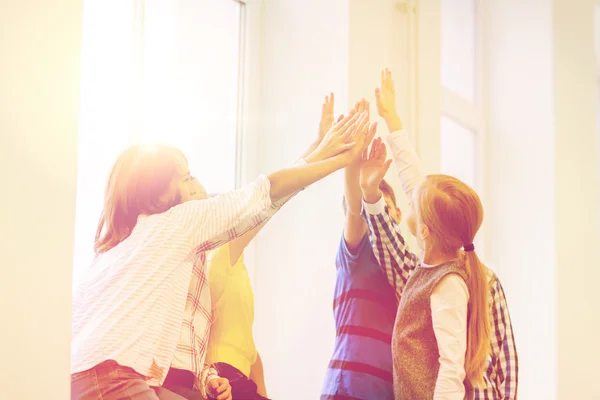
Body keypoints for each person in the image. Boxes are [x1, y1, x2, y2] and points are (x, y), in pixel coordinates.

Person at [70, 108, 376, 400]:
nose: (195, 184)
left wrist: (205, 377)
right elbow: (263, 195)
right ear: (159, 194)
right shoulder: (177, 223)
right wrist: (336, 160)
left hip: (80, 376)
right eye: (185, 178)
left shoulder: (119, 251)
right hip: (114, 377)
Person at [361, 69, 518, 399]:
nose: (409, 198)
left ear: (427, 230)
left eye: (414, 203)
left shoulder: (451, 283)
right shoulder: (433, 264)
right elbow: (415, 183)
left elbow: (456, 367)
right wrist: (393, 121)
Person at [321, 98, 399, 400]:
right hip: (347, 387)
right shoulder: (357, 255)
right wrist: (354, 161)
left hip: (387, 390)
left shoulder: (406, 266)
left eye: (385, 209)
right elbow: (355, 209)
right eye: (374, 211)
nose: (380, 218)